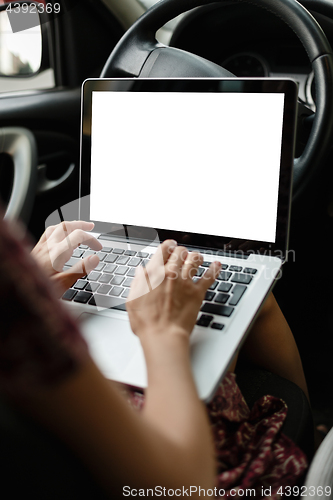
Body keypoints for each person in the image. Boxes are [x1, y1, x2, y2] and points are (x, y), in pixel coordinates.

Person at [0, 217, 310, 498]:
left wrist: (32, 288)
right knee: (255, 297)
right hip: (147, 457)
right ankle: (312, 431)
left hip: (40, 442)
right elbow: (184, 486)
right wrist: (164, 332)